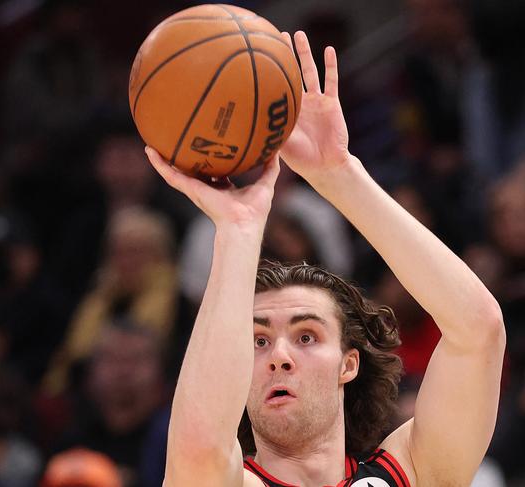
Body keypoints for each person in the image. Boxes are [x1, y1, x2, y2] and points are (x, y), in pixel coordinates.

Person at [145, 31, 506, 487]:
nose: (279, 356)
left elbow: (479, 328)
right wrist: (239, 230)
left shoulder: (413, 471)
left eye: (307, 336)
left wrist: (339, 176)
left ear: (348, 364)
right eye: (256, 342)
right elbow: (199, 446)